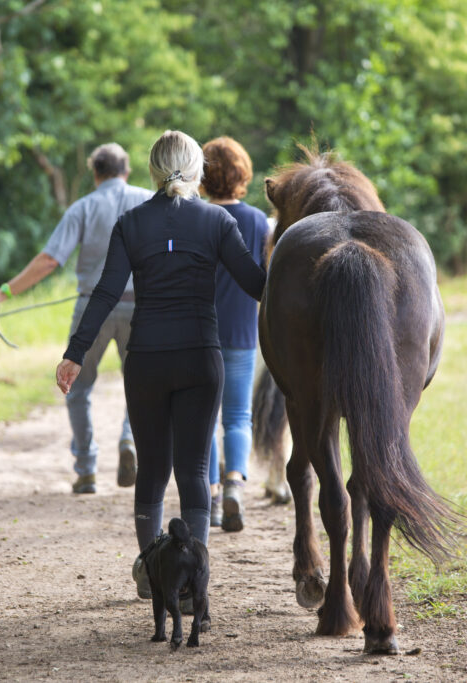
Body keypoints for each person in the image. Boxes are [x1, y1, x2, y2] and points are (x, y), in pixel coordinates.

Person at [54, 130, 265, 598]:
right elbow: (257, 284)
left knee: (152, 470)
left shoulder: (131, 222)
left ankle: (152, 572)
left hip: (147, 360)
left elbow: (106, 293)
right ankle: (192, 584)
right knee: (194, 470)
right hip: (199, 359)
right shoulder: (216, 222)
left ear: (152, 171)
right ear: (198, 172)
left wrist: (75, 353)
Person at [0, 143, 152, 495]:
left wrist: (4, 293)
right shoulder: (149, 201)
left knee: (77, 387)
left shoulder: (83, 207)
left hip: (93, 309)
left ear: (95, 173)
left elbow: (49, 261)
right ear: (126, 171)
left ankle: (87, 469)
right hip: (142, 308)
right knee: (142, 387)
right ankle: (130, 441)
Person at [200, 137, 270, 533]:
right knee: (239, 417)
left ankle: (208, 496)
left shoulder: (195, 217)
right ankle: (234, 489)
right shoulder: (258, 221)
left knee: (206, 419)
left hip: (201, 331)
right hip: (243, 331)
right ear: (242, 173)